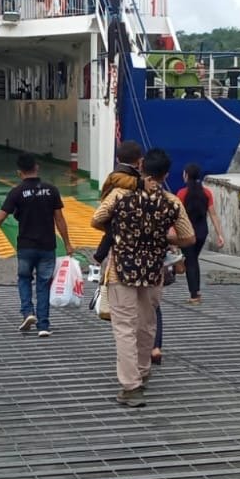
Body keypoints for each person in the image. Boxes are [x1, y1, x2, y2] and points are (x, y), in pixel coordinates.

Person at [92, 147, 194, 407]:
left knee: (124, 327)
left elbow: (97, 219)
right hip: (153, 271)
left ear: (141, 167)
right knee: (147, 323)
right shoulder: (172, 201)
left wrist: (120, 231)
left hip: (121, 270)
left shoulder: (119, 195)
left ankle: (131, 386)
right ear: (166, 174)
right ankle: (143, 370)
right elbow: (188, 237)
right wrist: (163, 237)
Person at [0, 153, 73, 338]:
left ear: (19, 172)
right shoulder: (51, 190)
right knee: (43, 284)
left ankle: (28, 312)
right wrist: (67, 243)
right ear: (37, 167)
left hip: (26, 246)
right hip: (47, 246)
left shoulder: (17, 192)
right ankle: (43, 325)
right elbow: (59, 219)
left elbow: (0, 218)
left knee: (24, 279)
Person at [90, 141, 164, 364]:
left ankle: (132, 366)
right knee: (150, 307)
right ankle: (152, 350)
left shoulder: (119, 187)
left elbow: (98, 220)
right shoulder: (135, 183)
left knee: (126, 314)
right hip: (149, 256)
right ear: (140, 161)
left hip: (124, 256)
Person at [176, 163, 226, 305]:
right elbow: (213, 214)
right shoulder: (206, 193)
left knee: (190, 261)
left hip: (186, 232)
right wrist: (220, 234)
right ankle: (196, 292)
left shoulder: (182, 193)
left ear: (186, 175)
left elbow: (176, 216)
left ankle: (194, 294)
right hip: (202, 232)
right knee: (193, 260)